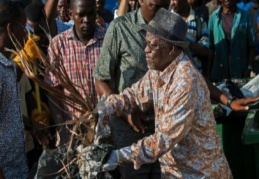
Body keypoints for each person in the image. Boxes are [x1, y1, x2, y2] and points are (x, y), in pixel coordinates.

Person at [97, 8, 232, 178]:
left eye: (152, 45)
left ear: (171, 49)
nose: (146, 50)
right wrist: (106, 107)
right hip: (176, 172)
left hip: (200, 173)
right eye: (146, 43)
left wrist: (118, 156)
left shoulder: (186, 81)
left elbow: (164, 139)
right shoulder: (158, 70)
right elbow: (134, 94)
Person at [47, 0, 106, 144]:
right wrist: (62, 129)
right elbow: (52, 90)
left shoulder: (108, 39)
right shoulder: (58, 44)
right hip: (73, 131)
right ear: (71, 14)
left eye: (91, 14)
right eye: (81, 15)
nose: (86, 20)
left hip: (105, 128)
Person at [0, 0, 28, 178]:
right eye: (23, 28)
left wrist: (30, 124)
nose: (26, 34)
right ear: (10, 29)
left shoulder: (7, 65)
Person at [208, 0, 256, 82]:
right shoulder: (214, 17)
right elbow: (211, 48)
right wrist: (208, 72)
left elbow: (252, 45)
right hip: (219, 72)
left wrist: (249, 67)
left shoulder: (246, 16)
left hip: (240, 71)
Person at [170, 0, 210, 75]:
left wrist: (184, 43)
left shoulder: (199, 20)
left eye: (175, 0)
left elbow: (205, 50)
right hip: (173, 75)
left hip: (194, 75)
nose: (172, 3)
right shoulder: (167, 19)